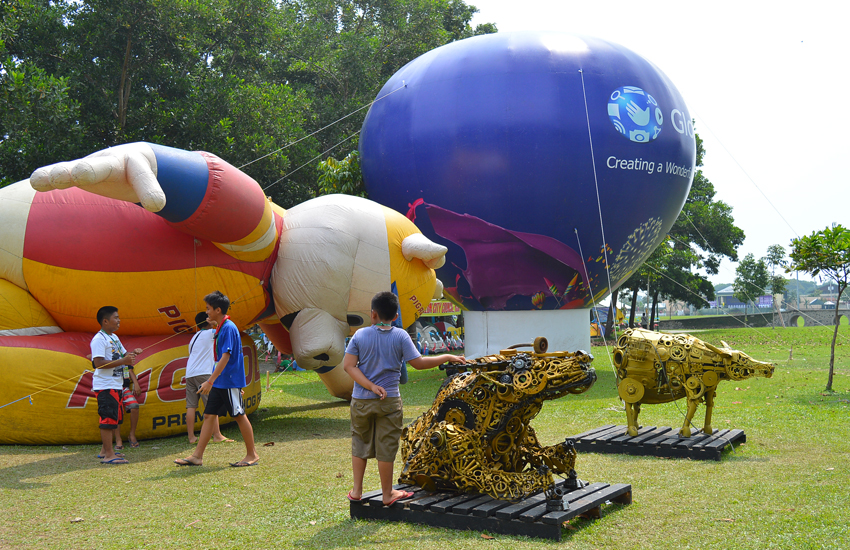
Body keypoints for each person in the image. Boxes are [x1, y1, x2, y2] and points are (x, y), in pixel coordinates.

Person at [343, 291, 466, 505]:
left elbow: (348, 366)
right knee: (386, 447)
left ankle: (356, 492)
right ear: (396, 315)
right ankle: (387, 494)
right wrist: (447, 356)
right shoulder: (400, 336)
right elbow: (418, 363)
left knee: (360, 442)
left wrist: (370, 386)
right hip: (389, 401)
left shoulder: (360, 336)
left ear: (373, 314)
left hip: (361, 400)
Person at [174, 291, 259, 467]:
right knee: (209, 415)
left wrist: (210, 380)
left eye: (208, 309)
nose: (207, 313)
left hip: (226, 381)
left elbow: (225, 357)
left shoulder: (228, 327)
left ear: (218, 310)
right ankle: (197, 456)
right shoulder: (221, 327)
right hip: (222, 382)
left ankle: (252, 455)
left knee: (239, 416)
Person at [90, 306, 140, 465]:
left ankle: (105, 450)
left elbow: (124, 355)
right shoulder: (99, 339)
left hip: (116, 384)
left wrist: (132, 354)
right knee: (107, 419)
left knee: (114, 418)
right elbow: (97, 363)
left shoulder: (114, 337)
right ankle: (109, 455)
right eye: (116, 318)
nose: (119, 321)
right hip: (105, 385)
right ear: (105, 321)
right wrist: (123, 361)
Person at [185, 311, 231, 444]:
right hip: (204, 373)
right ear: (207, 320)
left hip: (190, 374)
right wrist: (215, 322)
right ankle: (217, 435)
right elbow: (222, 330)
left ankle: (191, 437)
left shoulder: (193, 338)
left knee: (191, 406)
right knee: (212, 405)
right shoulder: (211, 334)